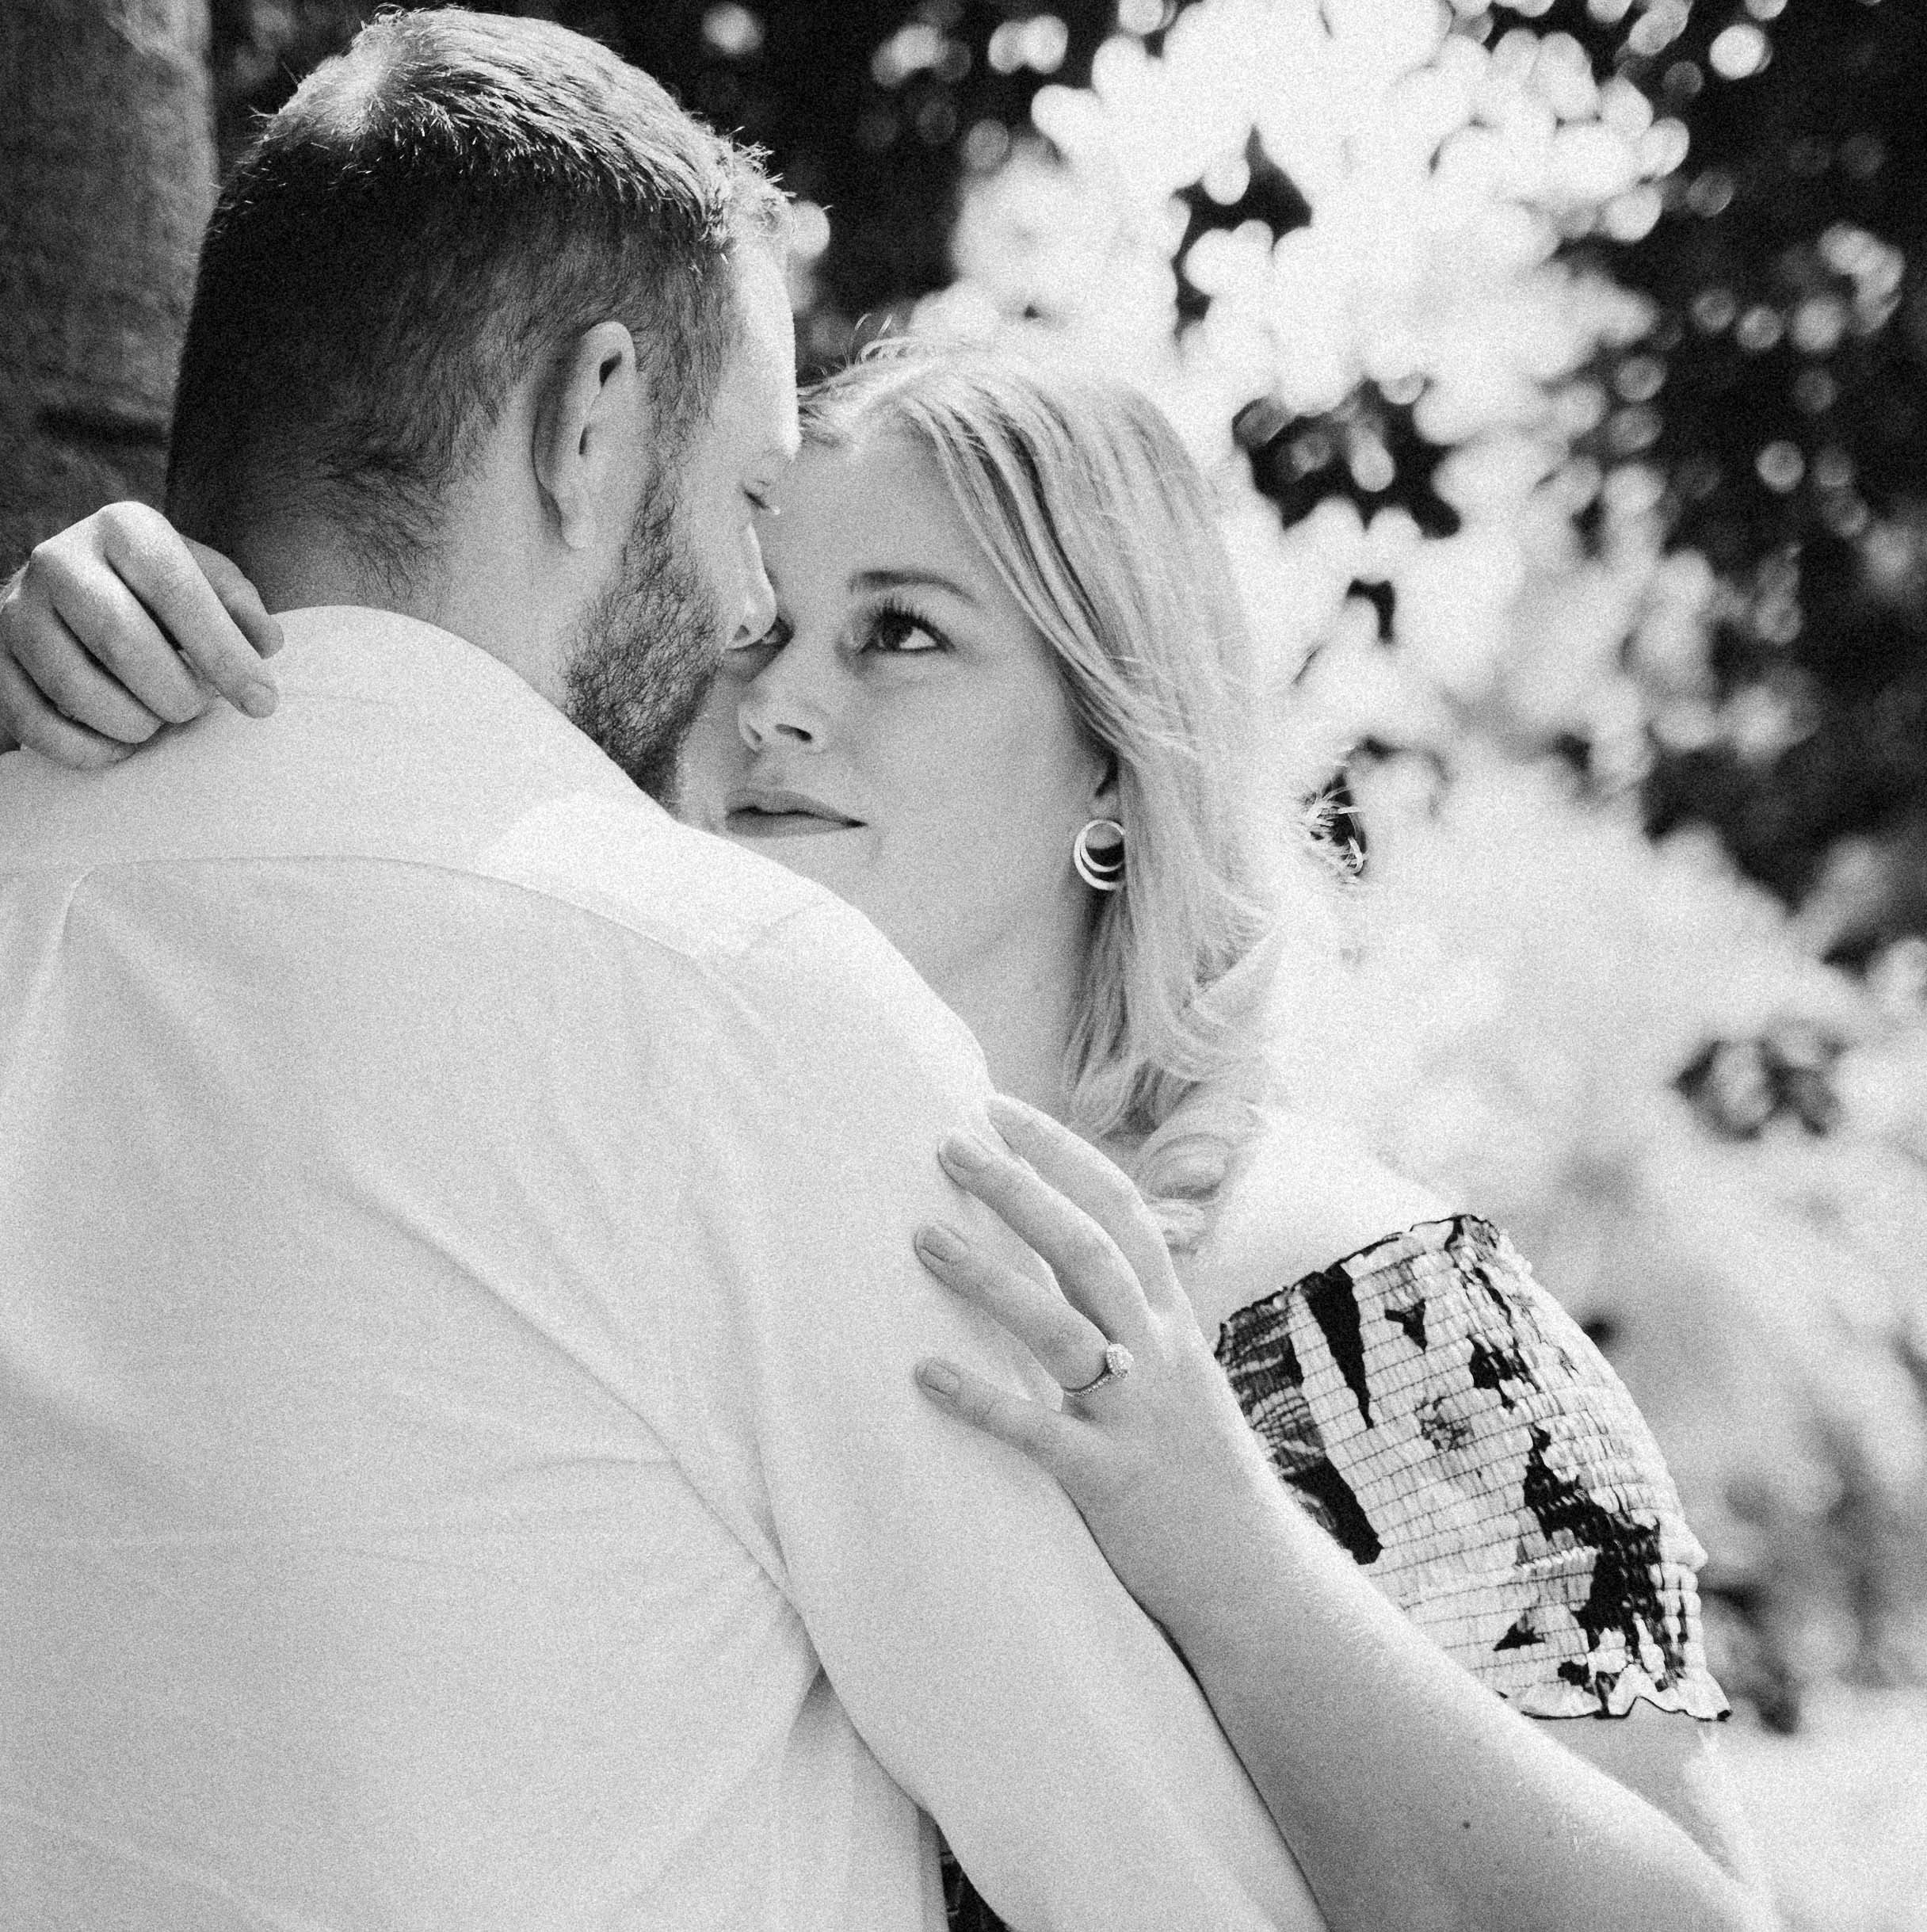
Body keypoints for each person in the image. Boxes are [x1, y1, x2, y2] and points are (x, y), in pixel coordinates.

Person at [4, 342, 1775, 1930]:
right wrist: (156, 639)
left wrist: (1220, 1536)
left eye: (901, 633)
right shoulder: (620, 1179)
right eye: (754, 628)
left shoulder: (1381, 1311)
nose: (775, 701)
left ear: (1111, 757)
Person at [0, 16, 1322, 1930]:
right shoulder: (742, 1008)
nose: (746, 622)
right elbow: (1181, 1895)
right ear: (593, 417)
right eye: (752, 495)